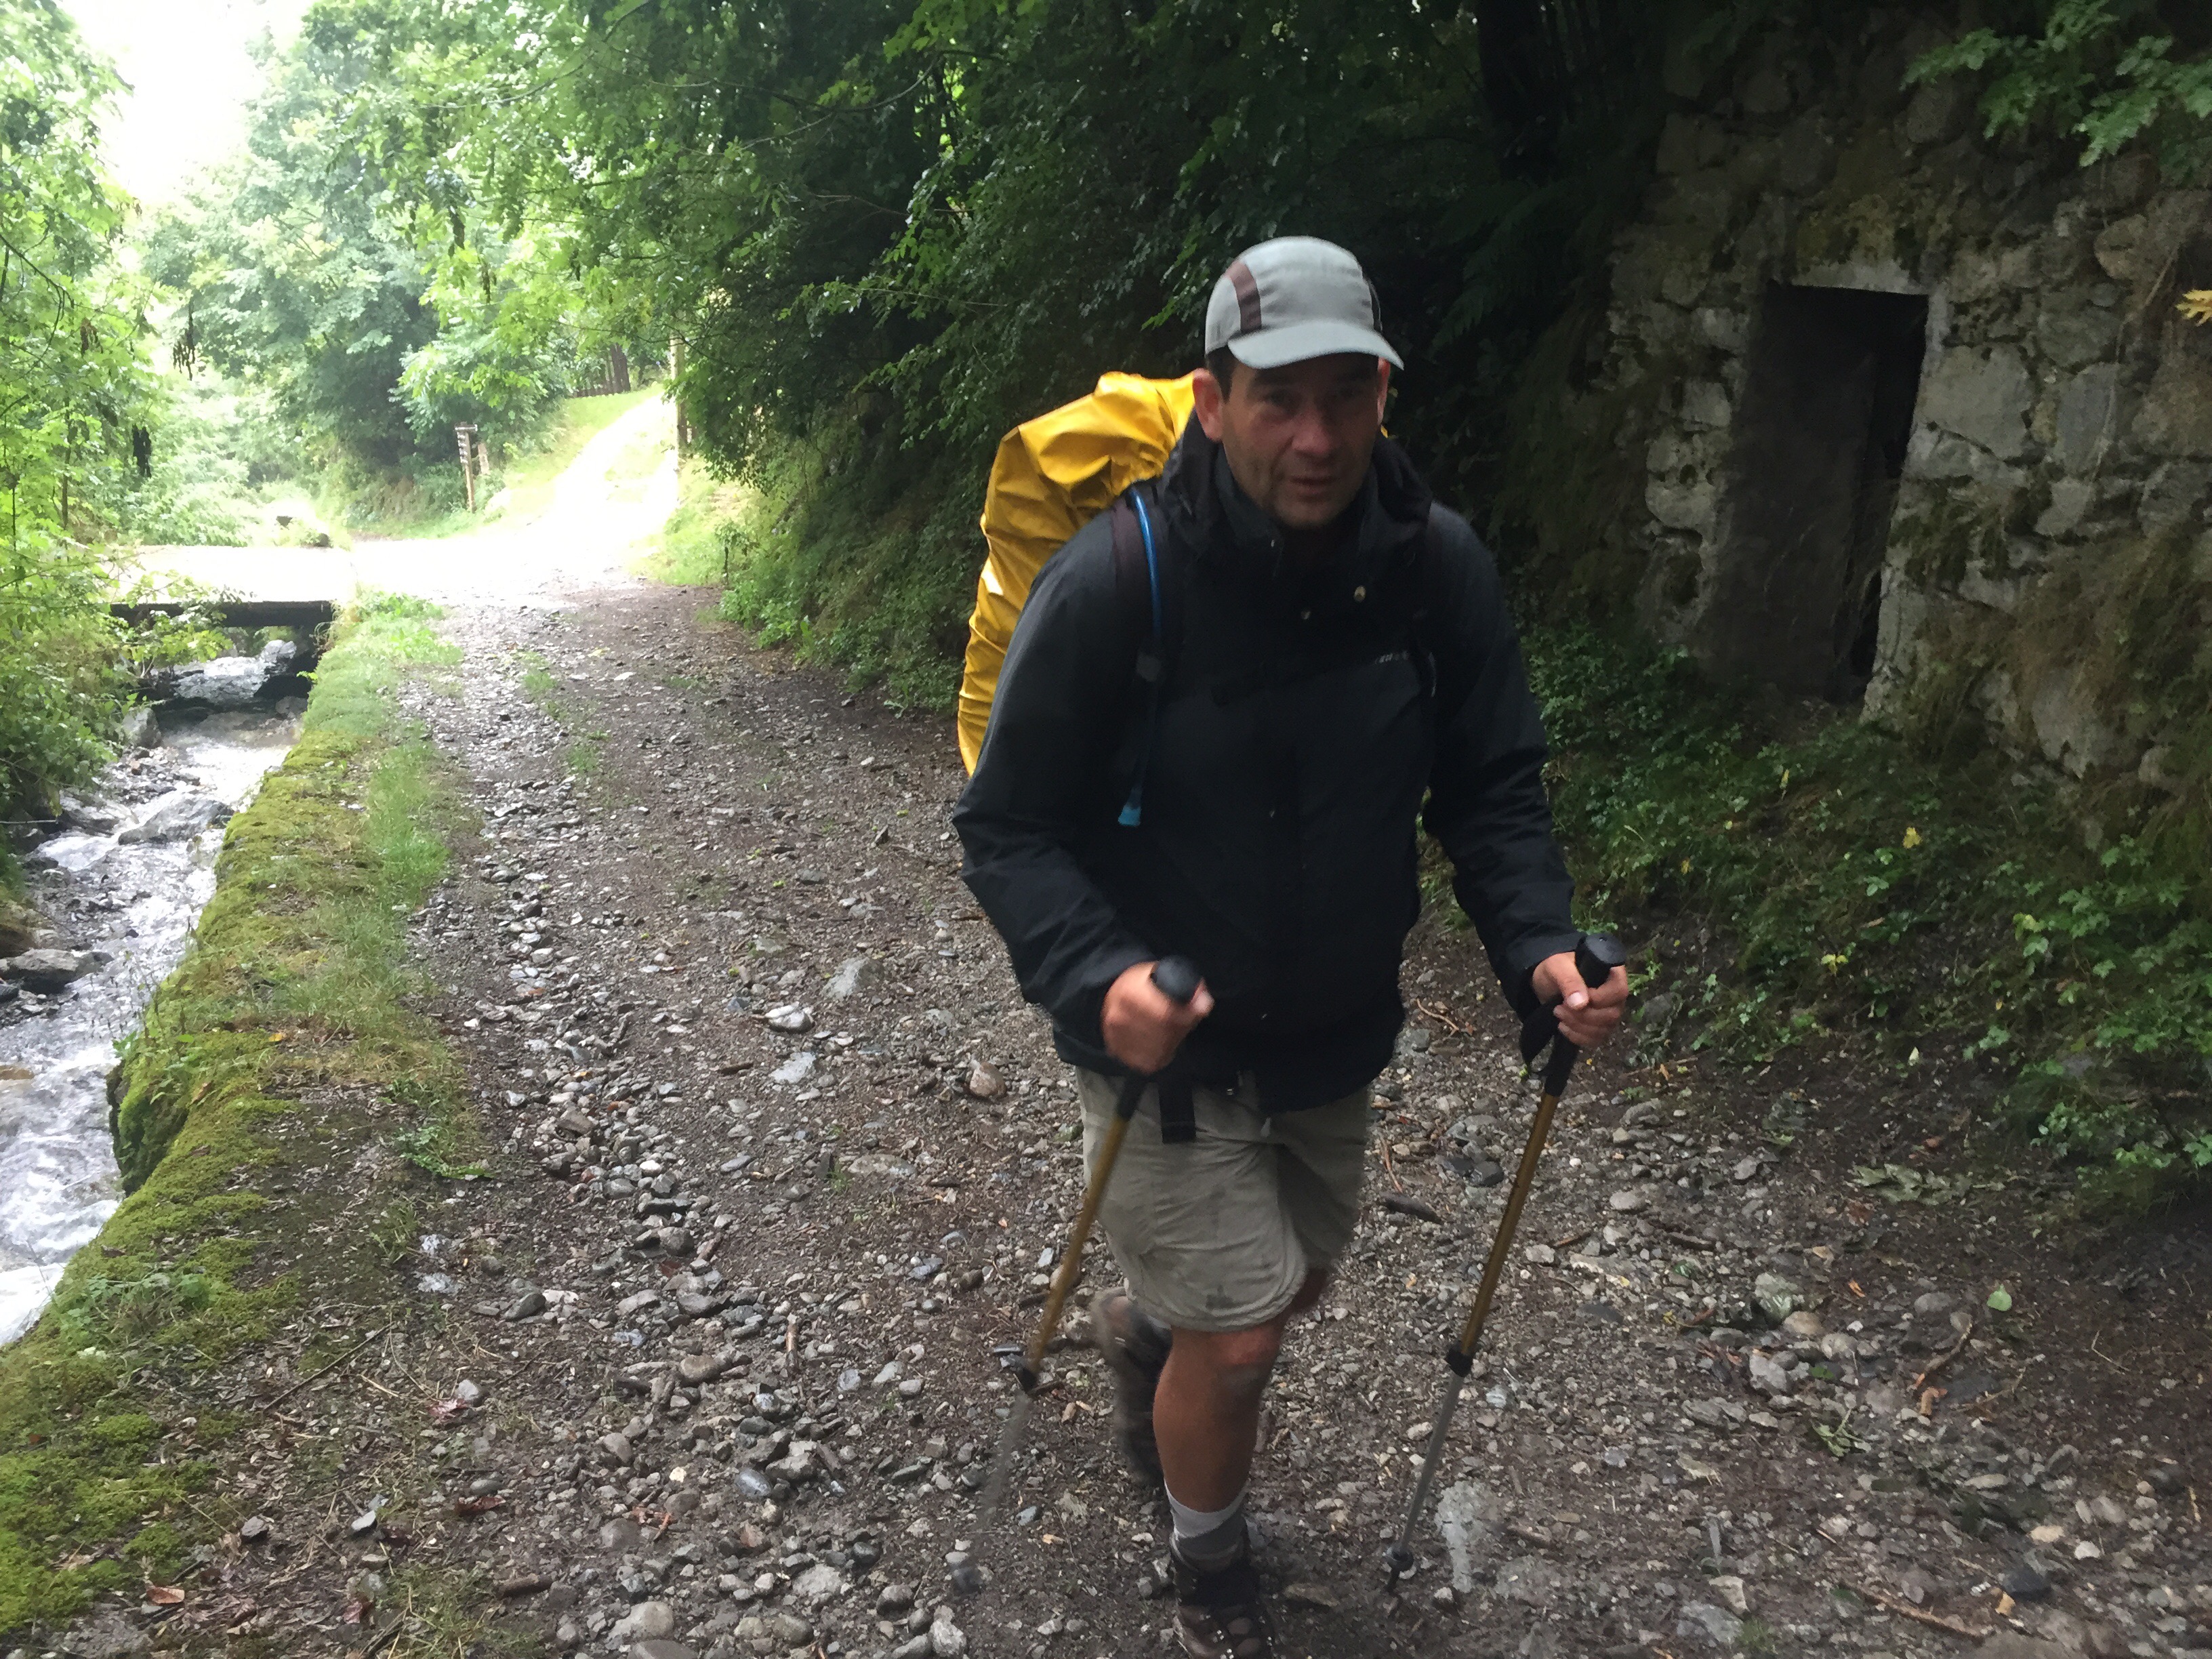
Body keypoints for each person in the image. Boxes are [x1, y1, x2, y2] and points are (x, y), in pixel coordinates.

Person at [953, 236, 1626, 1658]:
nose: (1315, 438)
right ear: (1213, 402)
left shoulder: (1432, 569)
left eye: (1345, 396)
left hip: (1333, 1024)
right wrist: (1098, 978)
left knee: (1296, 1279)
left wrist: (1540, 949)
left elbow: (1492, 788)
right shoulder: (1117, 579)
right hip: (1168, 1044)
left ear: (1384, 394)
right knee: (1245, 1333)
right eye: (1278, 400)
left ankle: (1152, 1336)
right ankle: (1211, 1571)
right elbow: (1008, 824)